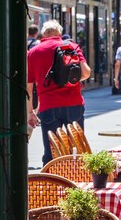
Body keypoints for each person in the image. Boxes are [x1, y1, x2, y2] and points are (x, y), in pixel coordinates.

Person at [27, 20, 90, 165]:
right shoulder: (71, 47)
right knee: (76, 150)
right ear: (59, 33)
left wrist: (31, 111)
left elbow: (29, 86)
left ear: (44, 33)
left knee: (51, 151)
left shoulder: (34, 52)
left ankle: (53, 183)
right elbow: (86, 72)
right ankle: (75, 183)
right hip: (73, 103)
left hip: (49, 106)